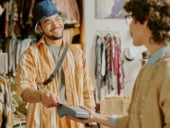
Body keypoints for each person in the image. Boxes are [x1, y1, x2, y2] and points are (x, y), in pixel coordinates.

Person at [68, 0, 170, 128]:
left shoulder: (167, 69)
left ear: (146, 21)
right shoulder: (148, 68)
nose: (130, 26)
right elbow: (132, 122)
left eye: (132, 19)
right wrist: (94, 117)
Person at [15, 0, 97, 128]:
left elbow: (87, 90)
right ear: (40, 28)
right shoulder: (30, 55)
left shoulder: (77, 54)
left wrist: (92, 120)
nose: (55, 25)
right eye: (48, 22)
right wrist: (41, 95)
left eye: (57, 19)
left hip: (74, 123)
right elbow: (23, 89)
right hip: (43, 123)